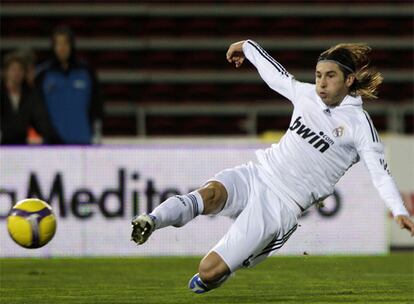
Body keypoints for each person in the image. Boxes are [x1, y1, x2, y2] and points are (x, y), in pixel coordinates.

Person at [130, 40, 414, 293]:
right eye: (318, 76)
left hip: (281, 206)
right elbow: (275, 75)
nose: (321, 83)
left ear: (349, 80)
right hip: (258, 173)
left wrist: (399, 210)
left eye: (330, 76)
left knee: (208, 272)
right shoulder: (307, 96)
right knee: (211, 193)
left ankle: (226, 268)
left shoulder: (359, 126)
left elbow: (380, 174)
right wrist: (247, 46)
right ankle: (152, 220)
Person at [36, 26, 102, 144]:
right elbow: (37, 110)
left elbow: (97, 104)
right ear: (53, 47)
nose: (62, 48)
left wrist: (94, 131)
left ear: (72, 46)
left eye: (65, 43)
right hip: (52, 144)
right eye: (58, 44)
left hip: (82, 141)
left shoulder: (86, 72)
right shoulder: (43, 74)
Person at [0, 51, 58, 145]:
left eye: (20, 70)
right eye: (13, 69)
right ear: (5, 72)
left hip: (22, 145)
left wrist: (46, 138)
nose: (16, 73)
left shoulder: (31, 96)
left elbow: (42, 120)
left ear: (24, 73)